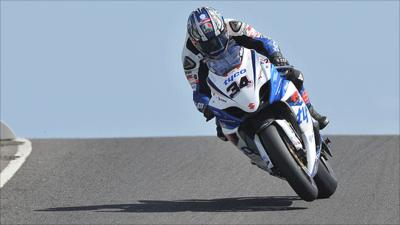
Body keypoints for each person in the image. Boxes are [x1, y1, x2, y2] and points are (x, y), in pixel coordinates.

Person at [182, 7, 329, 141]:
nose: (217, 46)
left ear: (222, 29)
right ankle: (254, 151)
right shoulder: (189, 58)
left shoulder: (233, 26)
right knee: (223, 131)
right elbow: (198, 90)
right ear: (196, 43)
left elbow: (264, 41)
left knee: (291, 74)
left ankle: (310, 110)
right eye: (209, 44)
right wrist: (206, 107)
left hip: (248, 69)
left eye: (219, 38)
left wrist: (276, 56)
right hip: (223, 88)